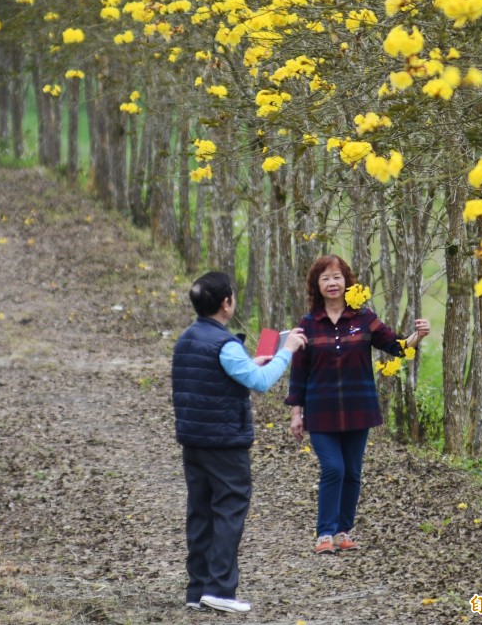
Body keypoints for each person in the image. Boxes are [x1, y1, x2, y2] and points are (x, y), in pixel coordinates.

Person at [172, 271, 307, 613]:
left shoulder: (187, 337)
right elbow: (261, 383)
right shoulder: (225, 343)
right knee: (229, 511)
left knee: (200, 513)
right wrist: (286, 351)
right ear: (225, 303)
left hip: (194, 441)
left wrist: (250, 363)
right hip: (225, 443)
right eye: (232, 296)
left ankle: (197, 590)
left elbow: (220, 374)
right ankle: (220, 589)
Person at [285, 254, 430, 554]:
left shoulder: (364, 318)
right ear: (317, 285)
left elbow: (396, 345)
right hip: (321, 411)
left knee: (352, 471)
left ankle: (342, 531)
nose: (332, 283)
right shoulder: (309, 324)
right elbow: (298, 372)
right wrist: (296, 413)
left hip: (358, 408)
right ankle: (324, 533)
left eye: (337, 277)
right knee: (333, 469)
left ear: (347, 281)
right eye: (325, 278)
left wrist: (419, 335)